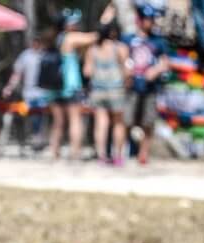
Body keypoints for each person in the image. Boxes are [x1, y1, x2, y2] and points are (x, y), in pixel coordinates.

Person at [48, 9, 104, 159]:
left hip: (55, 87)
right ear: (66, 25)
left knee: (58, 122)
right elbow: (96, 36)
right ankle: (75, 152)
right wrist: (106, 20)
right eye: (74, 22)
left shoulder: (56, 38)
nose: (77, 24)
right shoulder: (71, 38)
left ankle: (55, 153)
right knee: (75, 119)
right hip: (71, 86)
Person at [123, 5, 169, 165]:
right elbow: (121, 57)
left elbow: (165, 62)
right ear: (140, 20)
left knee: (148, 122)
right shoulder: (127, 39)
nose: (151, 23)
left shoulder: (159, 41)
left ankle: (144, 154)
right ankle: (123, 151)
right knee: (126, 120)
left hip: (150, 88)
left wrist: (155, 70)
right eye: (148, 19)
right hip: (131, 88)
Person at [85, 20, 129, 164]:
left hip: (98, 90)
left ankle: (101, 156)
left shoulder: (92, 50)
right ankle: (118, 156)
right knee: (118, 123)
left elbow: (87, 71)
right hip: (116, 90)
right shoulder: (120, 48)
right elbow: (127, 70)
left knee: (101, 123)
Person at [2, 34, 50, 145]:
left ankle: (38, 137)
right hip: (28, 93)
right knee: (25, 114)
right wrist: (9, 88)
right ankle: (27, 135)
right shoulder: (25, 56)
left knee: (40, 115)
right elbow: (17, 74)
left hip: (43, 93)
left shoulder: (45, 55)